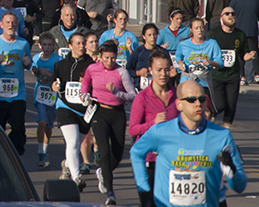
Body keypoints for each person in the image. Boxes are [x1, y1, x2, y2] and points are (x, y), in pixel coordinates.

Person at [131, 80, 247, 207]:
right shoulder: (160, 132)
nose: (198, 104)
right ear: (179, 105)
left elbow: (240, 187)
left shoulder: (221, 136)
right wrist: (144, 190)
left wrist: (232, 170)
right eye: (191, 100)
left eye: (202, 99)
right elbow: (136, 153)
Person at [80, 40, 137, 205]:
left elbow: (132, 95)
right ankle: (110, 194)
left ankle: (103, 172)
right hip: (99, 112)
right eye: (106, 58)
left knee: (117, 154)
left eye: (113, 58)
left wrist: (117, 93)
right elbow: (85, 84)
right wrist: (84, 95)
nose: (110, 61)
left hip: (117, 113)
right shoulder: (92, 69)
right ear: (100, 56)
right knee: (103, 152)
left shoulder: (122, 72)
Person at [128, 50, 178, 206]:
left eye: (166, 69)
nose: (163, 74)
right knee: (148, 203)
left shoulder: (177, 95)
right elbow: (133, 130)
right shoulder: (142, 97)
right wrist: (152, 123)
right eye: (158, 70)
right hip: (148, 160)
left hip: (172, 160)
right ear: (150, 70)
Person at [0, 11, 32, 155]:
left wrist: (28, 63)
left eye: (13, 22)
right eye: (7, 22)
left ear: (17, 24)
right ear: (1, 25)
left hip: (17, 95)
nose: (11, 25)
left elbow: (29, 63)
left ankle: (13, 154)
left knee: (19, 129)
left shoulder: (23, 44)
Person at [51, 33, 94, 191]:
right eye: (78, 43)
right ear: (70, 46)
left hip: (84, 110)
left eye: (83, 43)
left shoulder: (91, 65)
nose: (82, 46)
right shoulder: (60, 64)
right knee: (72, 141)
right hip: (65, 106)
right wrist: (54, 85)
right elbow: (54, 80)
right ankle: (76, 177)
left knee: (76, 143)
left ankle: (67, 164)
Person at [207, 7, 256, 128]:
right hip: (216, 75)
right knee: (220, 105)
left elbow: (243, 54)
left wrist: (250, 55)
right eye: (227, 13)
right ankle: (209, 115)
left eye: (233, 14)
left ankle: (226, 128)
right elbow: (206, 50)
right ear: (221, 18)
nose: (230, 16)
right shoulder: (213, 34)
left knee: (231, 105)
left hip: (233, 76)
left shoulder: (240, 35)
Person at [175, 17, 222, 106]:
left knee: (204, 109)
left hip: (203, 81)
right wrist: (180, 63)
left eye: (201, 27)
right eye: (196, 28)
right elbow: (178, 56)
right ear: (191, 30)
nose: (199, 30)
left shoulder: (212, 43)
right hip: (188, 79)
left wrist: (211, 62)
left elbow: (220, 62)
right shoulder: (184, 44)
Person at [32, 32, 61, 168]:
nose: (47, 47)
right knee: (42, 122)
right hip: (40, 94)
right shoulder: (36, 58)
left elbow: (60, 78)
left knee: (49, 126)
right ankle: (39, 152)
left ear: (53, 46)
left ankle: (45, 150)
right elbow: (34, 71)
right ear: (39, 45)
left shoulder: (57, 60)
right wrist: (34, 70)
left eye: (49, 45)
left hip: (52, 96)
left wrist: (48, 74)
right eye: (44, 44)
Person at [229, 0, 259, 84]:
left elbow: (230, 14)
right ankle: (257, 74)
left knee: (240, 54)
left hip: (239, 30)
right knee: (254, 52)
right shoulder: (255, 1)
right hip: (252, 30)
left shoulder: (235, 1)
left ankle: (242, 76)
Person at [127, 23, 173, 90]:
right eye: (149, 35)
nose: (152, 37)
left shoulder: (163, 52)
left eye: (154, 34)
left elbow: (170, 68)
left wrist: (171, 72)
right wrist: (138, 73)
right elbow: (128, 70)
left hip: (159, 89)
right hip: (141, 89)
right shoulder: (138, 52)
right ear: (144, 36)